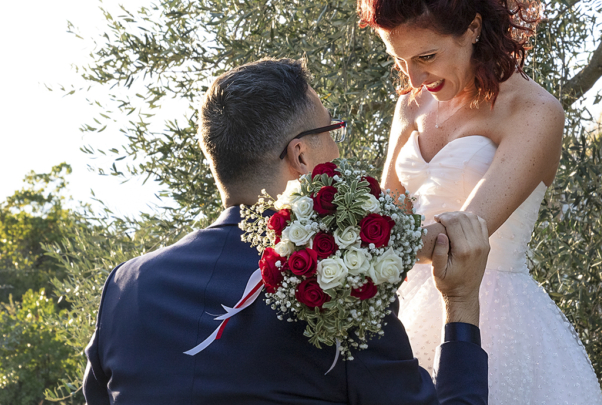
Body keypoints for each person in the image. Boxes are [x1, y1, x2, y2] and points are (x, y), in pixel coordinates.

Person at [82, 58, 492, 405]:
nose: (339, 151)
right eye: (333, 132)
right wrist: (460, 302)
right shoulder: (343, 281)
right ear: (300, 154)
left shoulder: (124, 286)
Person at [357, 0, 602, 403]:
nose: (414, 79)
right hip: (403, 312)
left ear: (472, 28)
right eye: (400, 61)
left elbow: (461, 240)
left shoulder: (534, 112)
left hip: (499, 325)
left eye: (426, 57)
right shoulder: (411, 107)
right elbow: (385, 211)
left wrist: (352, 238)